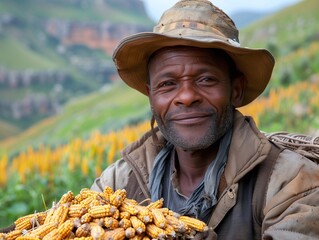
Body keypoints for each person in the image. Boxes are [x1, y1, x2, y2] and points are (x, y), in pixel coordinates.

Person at [91, 0, 319, 239]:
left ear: (236, 89)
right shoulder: (120, 181)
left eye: (206, 79)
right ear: (151, 96)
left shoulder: (291, 182)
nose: (187, 97)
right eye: (167, 84)